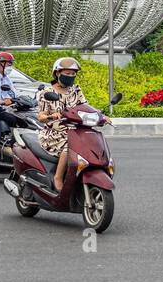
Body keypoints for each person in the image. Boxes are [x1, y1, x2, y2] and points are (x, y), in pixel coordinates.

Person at [37, 56, 110, 188]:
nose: (70, 76)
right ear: (57, 73)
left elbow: (85, 106)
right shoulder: (47, 93)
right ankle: (58, 177)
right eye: (67, 73)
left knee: (93, 141)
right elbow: (41, 116)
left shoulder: (76, 90)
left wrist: (101, 116)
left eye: (73, 74)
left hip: (76, 130)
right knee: (68, 147)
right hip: (55, 133)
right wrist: (52, 116)